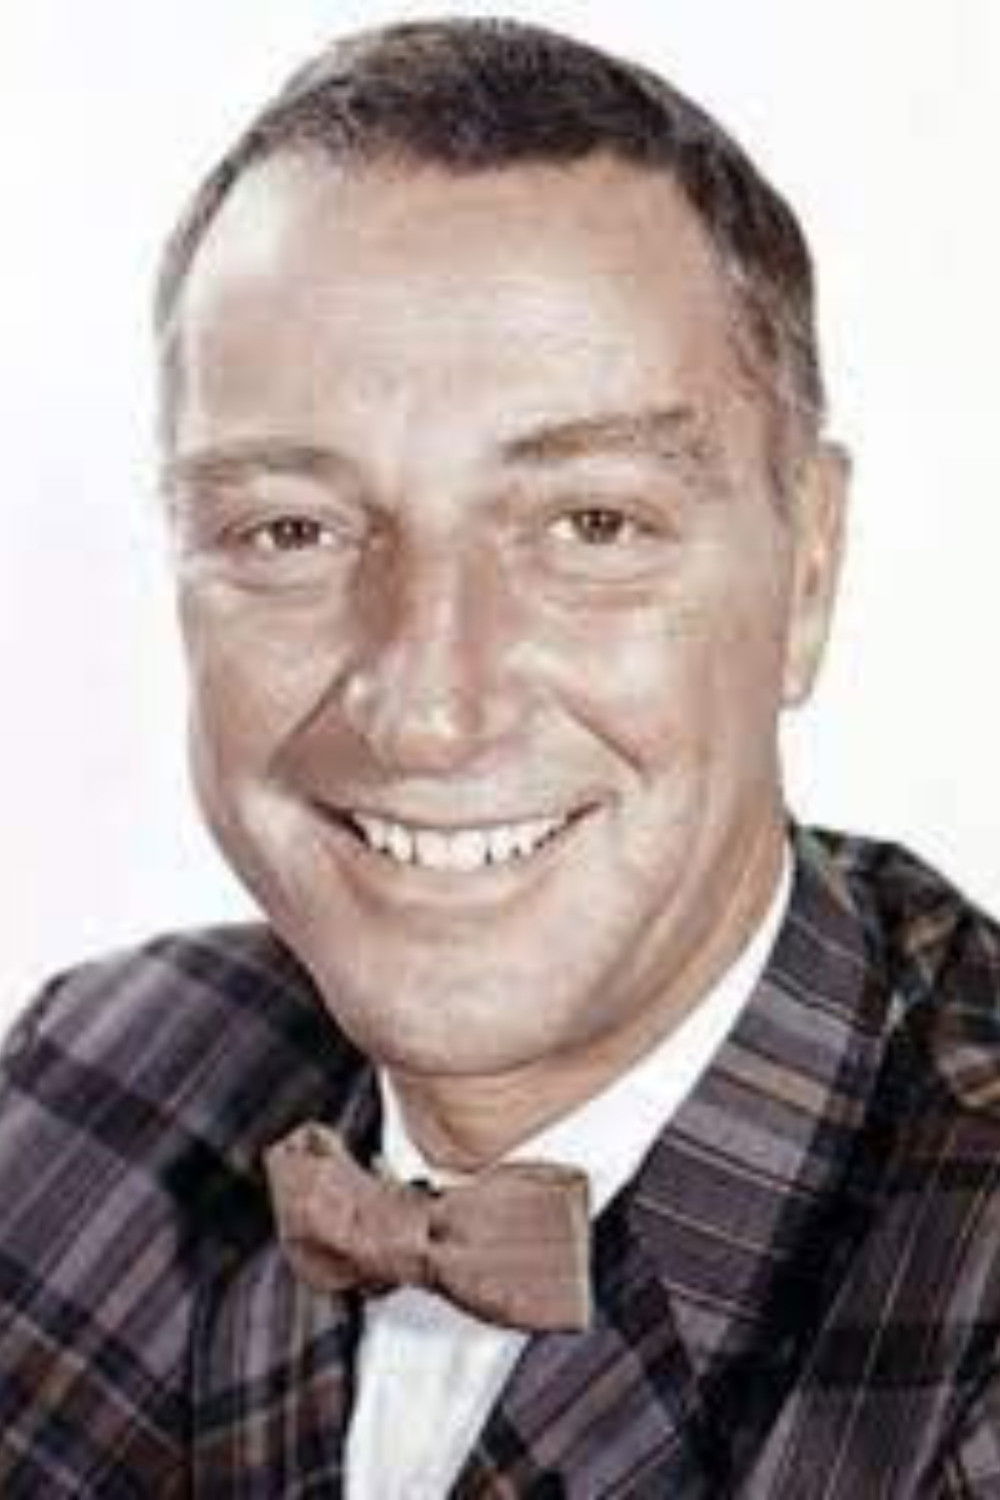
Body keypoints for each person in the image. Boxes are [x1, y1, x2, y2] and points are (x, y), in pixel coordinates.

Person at [1, 16, 999, 1497]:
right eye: (291, 529)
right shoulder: (81, 1088)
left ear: (808, 571)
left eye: (590, 526)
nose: (429, 709)